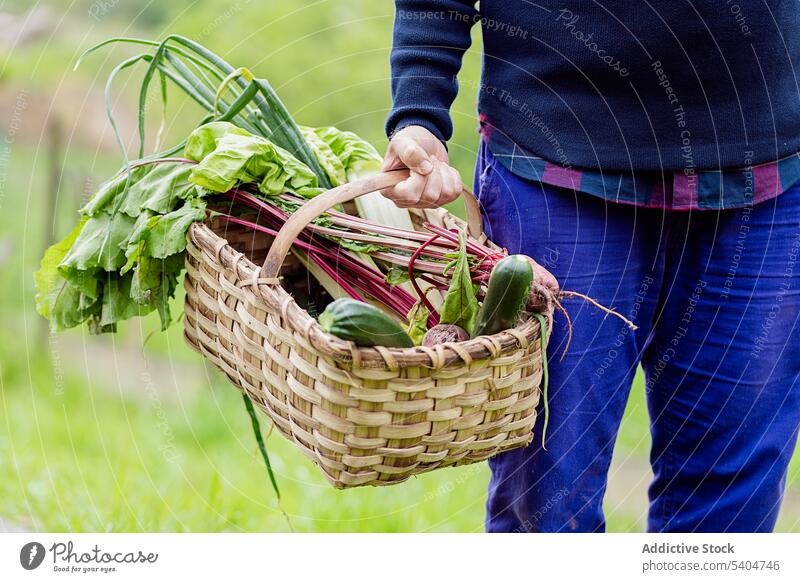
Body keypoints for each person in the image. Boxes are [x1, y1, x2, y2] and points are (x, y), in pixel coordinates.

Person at [381, 1, 800, 533]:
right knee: (547, 496)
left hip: (767, 175)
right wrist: (420, 112)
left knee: (733, 504)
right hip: (556, 169)